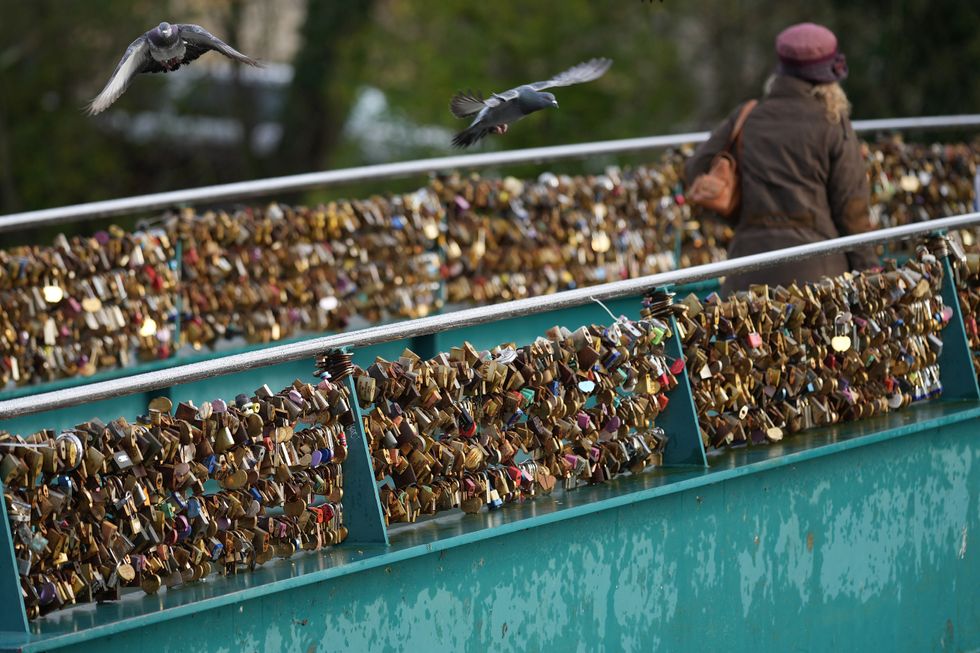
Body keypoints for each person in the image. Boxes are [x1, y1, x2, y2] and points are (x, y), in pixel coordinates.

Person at [684, 22, 878, 294]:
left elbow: (695, 170)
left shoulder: (748, 116)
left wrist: (739, 213)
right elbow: (852, 212)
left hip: (746, 276)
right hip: (817, 280)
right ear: (828, 78)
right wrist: (870, 274)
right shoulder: (833, 123)